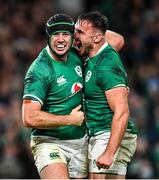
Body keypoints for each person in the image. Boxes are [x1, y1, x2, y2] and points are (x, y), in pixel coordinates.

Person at [22, 13, 125, 179]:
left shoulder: (77, 52)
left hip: (80, 142)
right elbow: (28, 117)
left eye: (66, 34)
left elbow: (118, 40)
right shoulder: (40, 70)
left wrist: (82, 28)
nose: (61, 39)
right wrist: (68, 120)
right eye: (56, 34)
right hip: (49, 141)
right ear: (48, 37)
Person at [74, 11, 137, 179]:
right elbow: (119, 39)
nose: (74, 36)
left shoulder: (107, 67)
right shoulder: (96, 51)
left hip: (108, 132)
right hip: (104, 132)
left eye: (80, 32)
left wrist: (109, 153)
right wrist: (89, 24)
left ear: (97, 38)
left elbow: (122, 112)